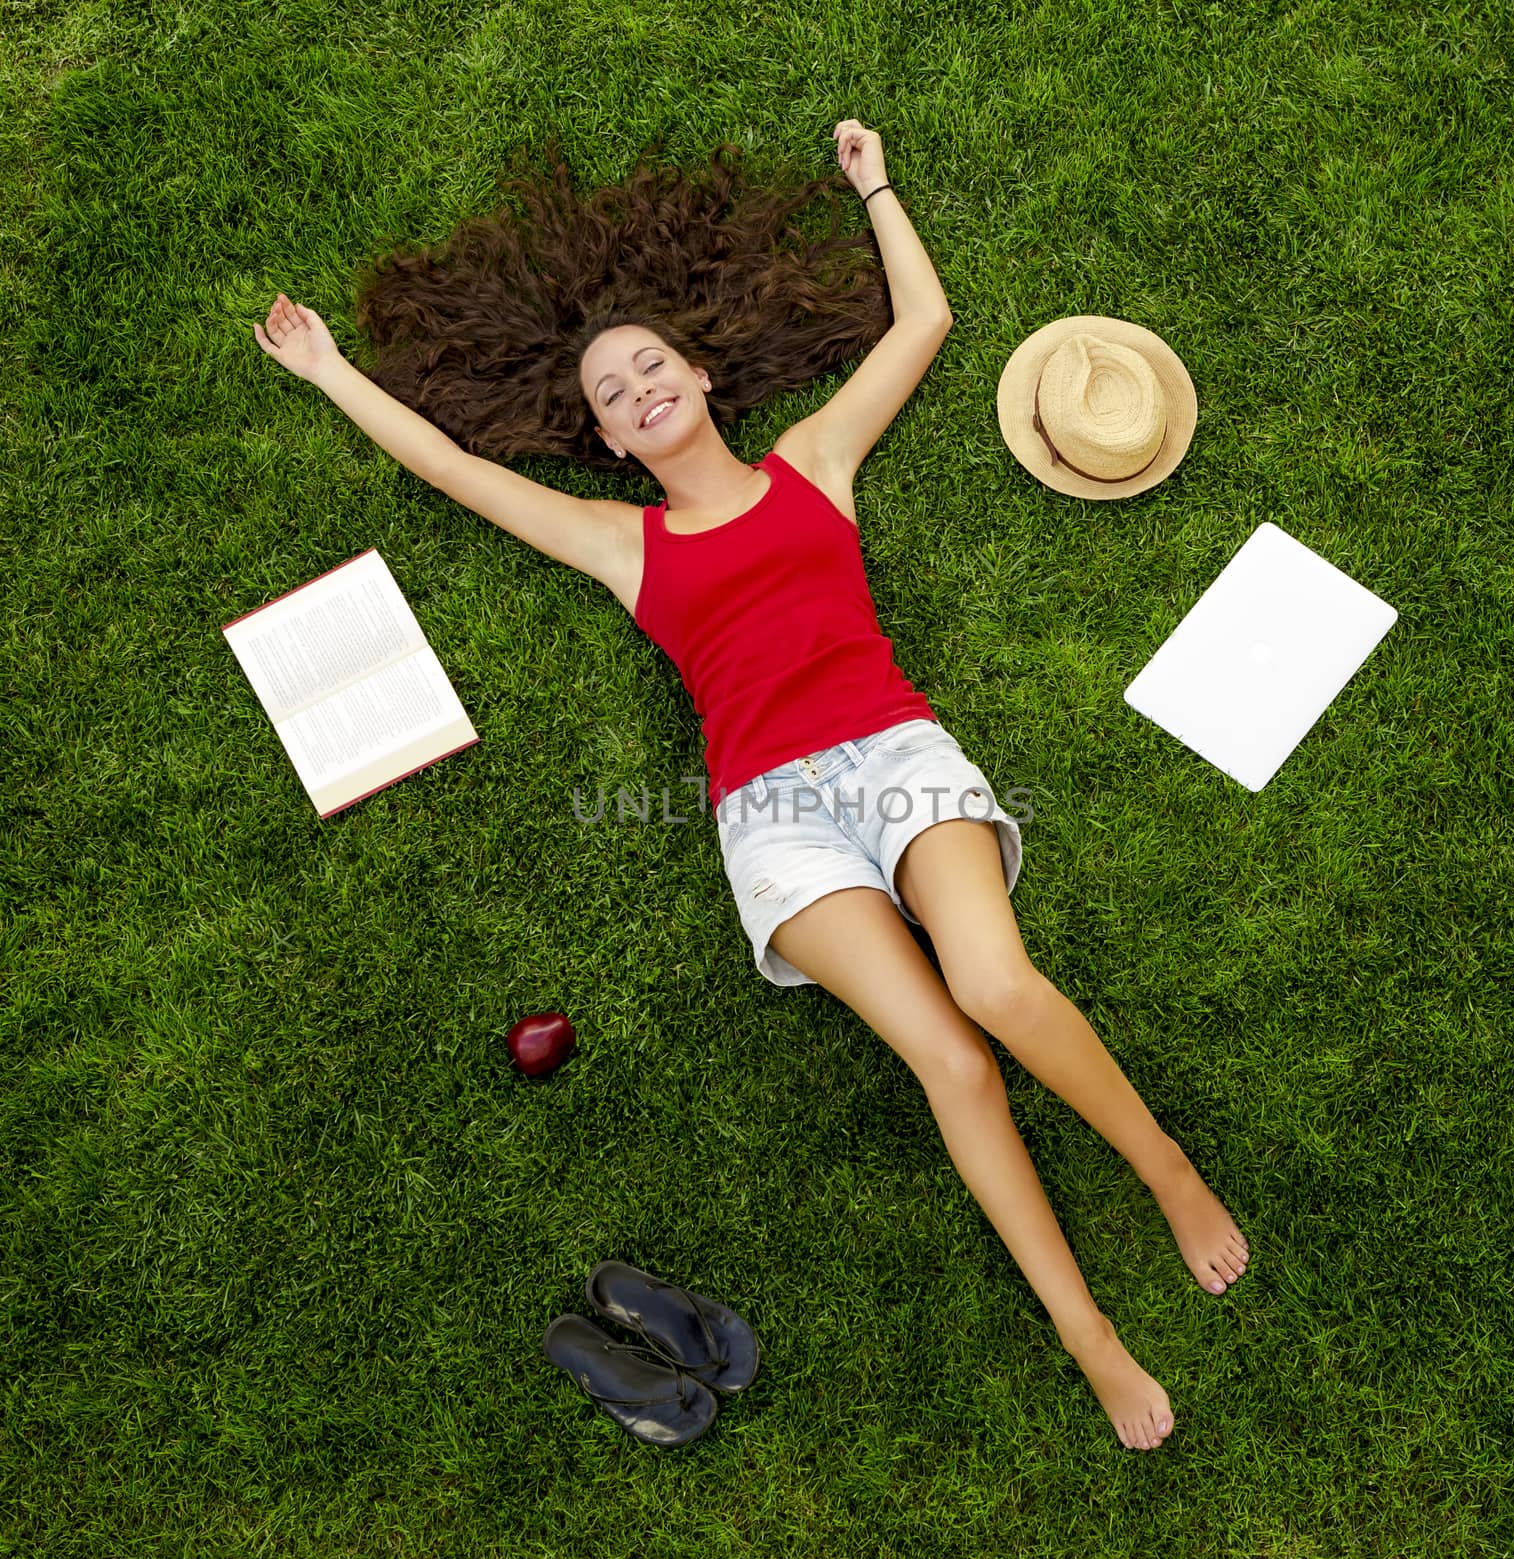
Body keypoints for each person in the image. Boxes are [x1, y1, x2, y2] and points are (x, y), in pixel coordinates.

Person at [252, 121, 1248, 1451]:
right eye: (613, 394)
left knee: (997, 987)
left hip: (893, 756)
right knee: (950, 1059)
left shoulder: (813, 465)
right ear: (607, 442)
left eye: (652, 364)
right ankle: (1087, 1332)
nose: (639, 389)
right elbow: (456, 470)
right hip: (772, 817)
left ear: (703, 374)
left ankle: (1168, 1173)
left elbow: (929, 319)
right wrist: (327, 370)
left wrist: (874, 183)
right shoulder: (622, 544)